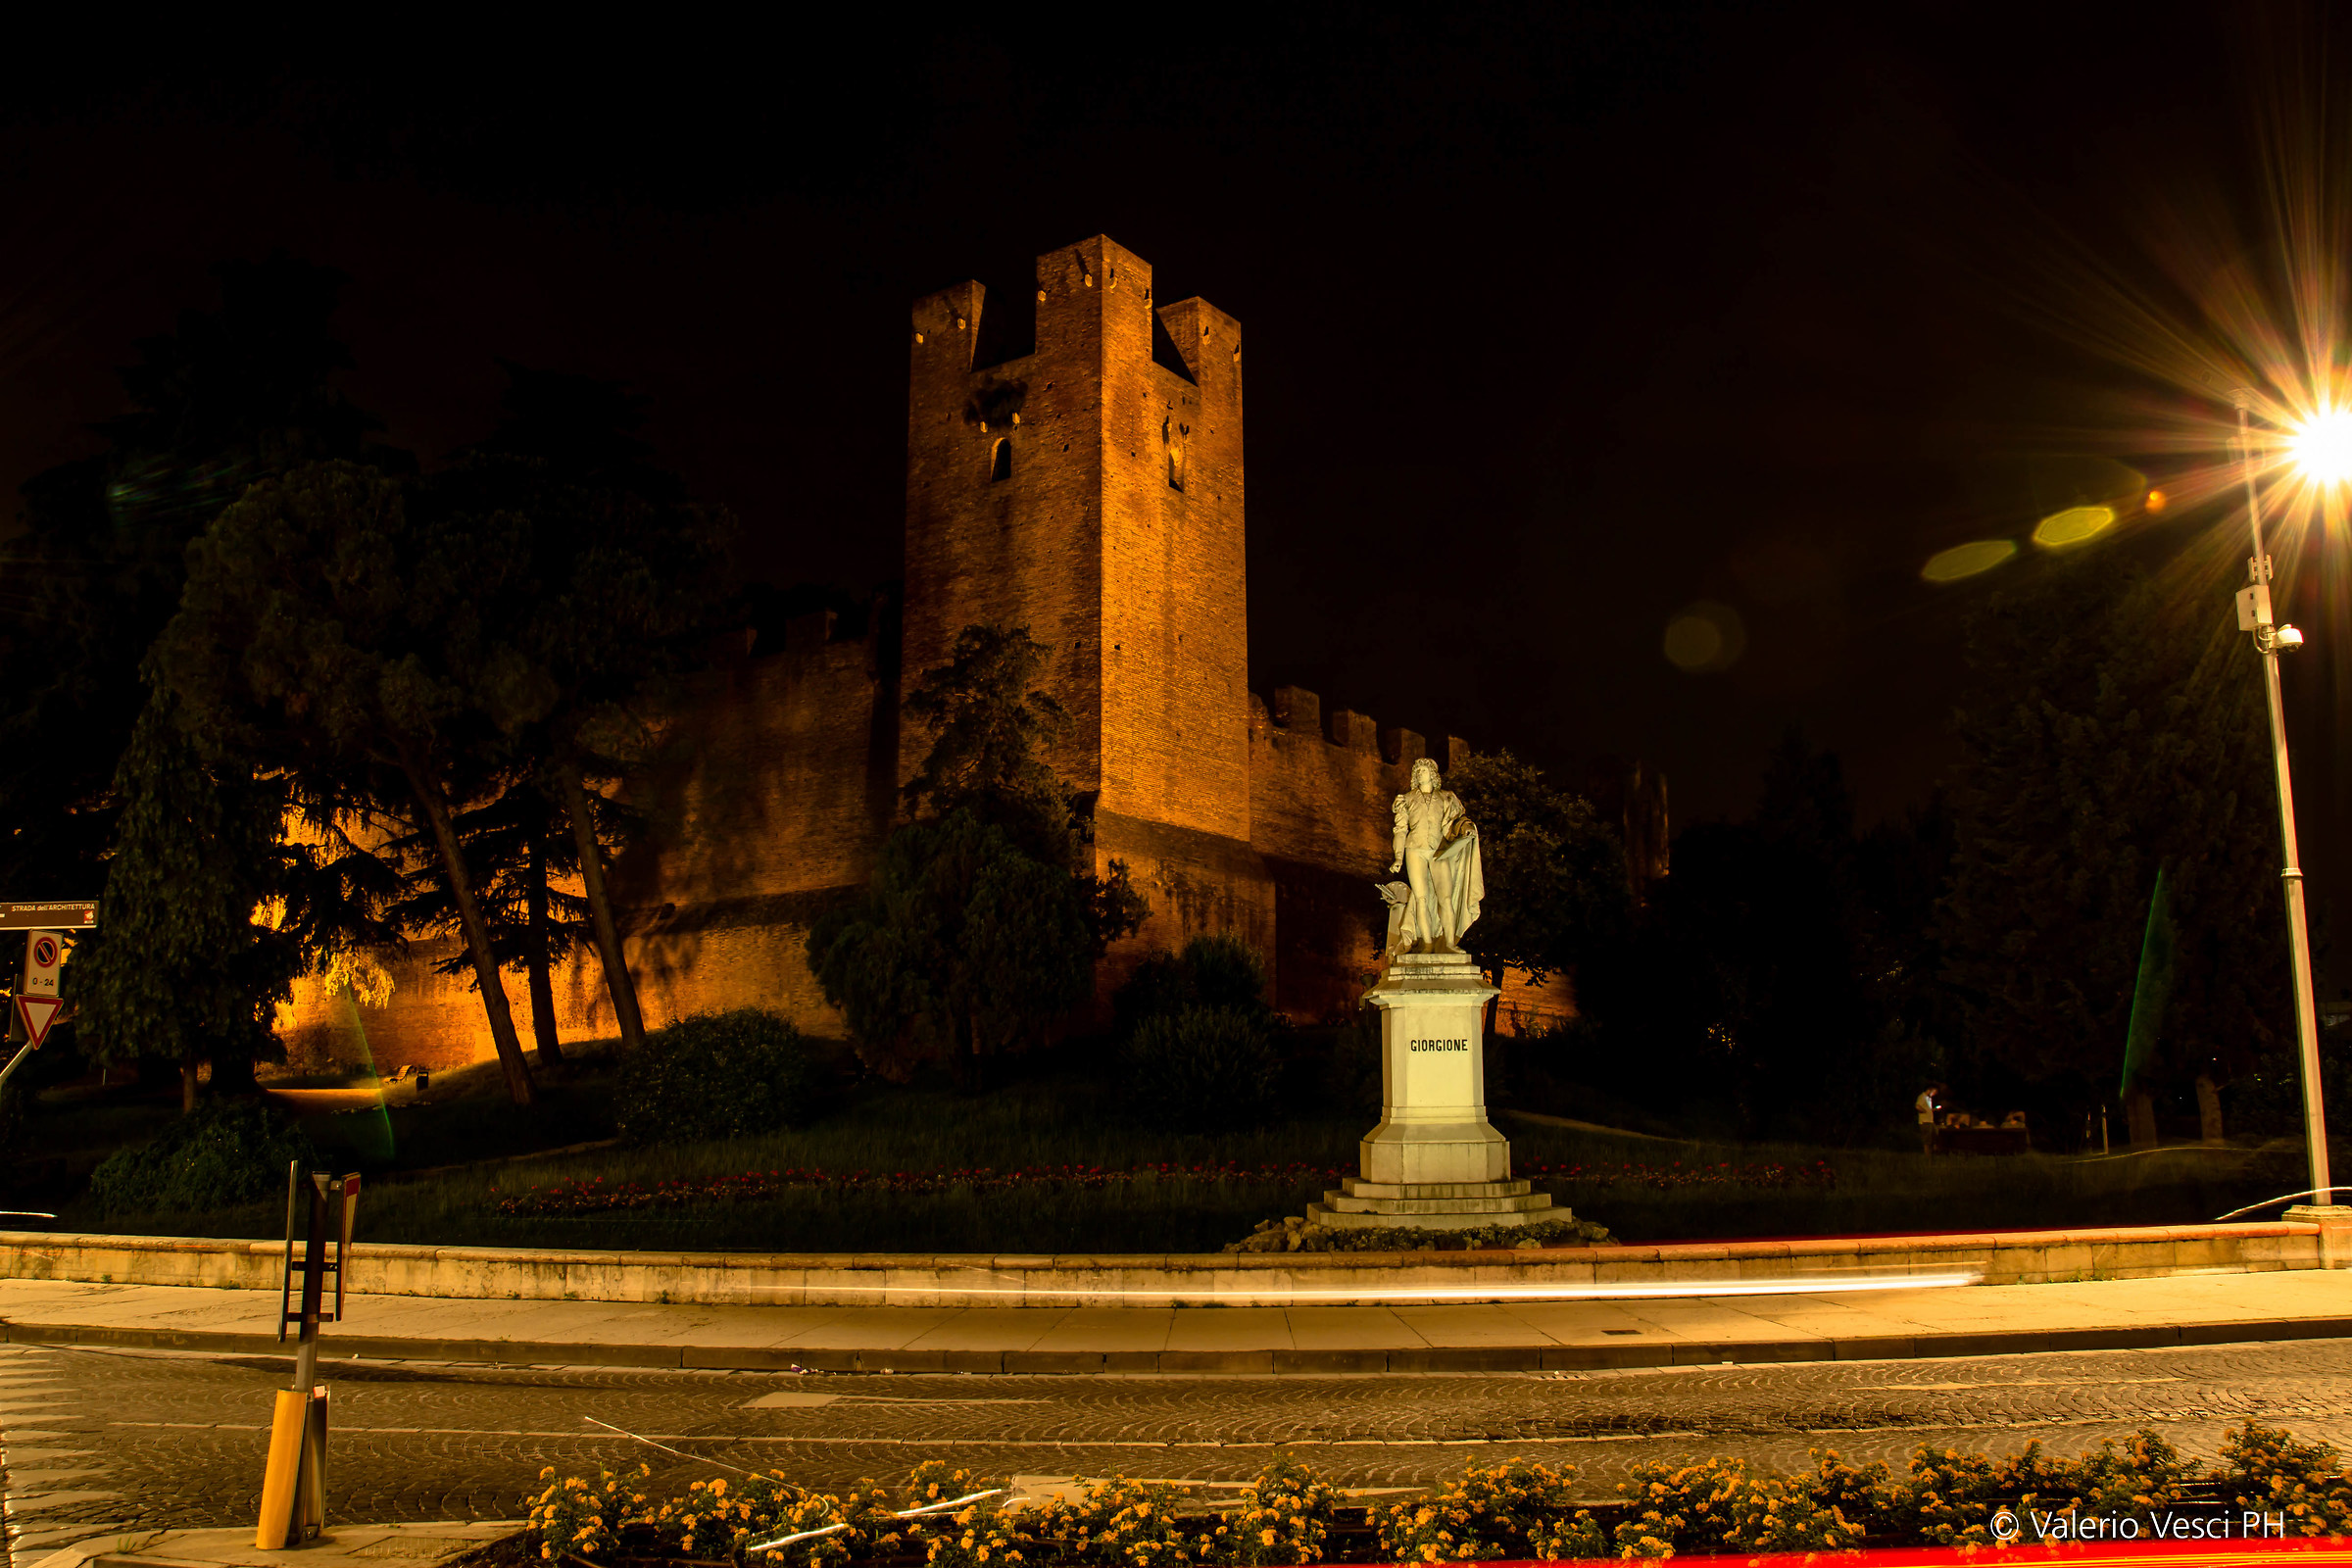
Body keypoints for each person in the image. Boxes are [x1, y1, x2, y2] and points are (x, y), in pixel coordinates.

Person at [1915, 1082, 1944, 1155]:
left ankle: (1934, 1151)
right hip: (1925, 1122)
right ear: (1930, 1090)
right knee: (1927, 1140)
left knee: (1936, 1134)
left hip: (1930, 1121)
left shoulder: (1928, 1098)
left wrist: (1934, 1109)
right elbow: (1917, 1106)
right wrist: (1924, 1111)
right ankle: (1927, 1156)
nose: (1935, 1094)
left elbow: (1928, 1110)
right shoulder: (1922, 1097)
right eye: (1934, 1092)